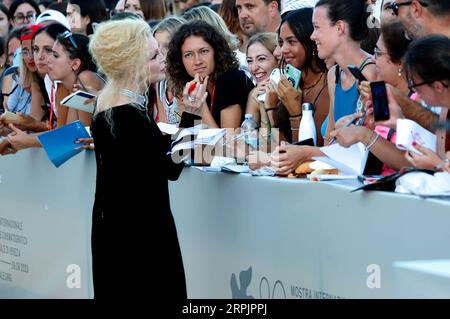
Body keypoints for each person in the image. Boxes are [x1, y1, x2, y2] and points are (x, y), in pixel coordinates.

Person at [88, 17, 205, 300]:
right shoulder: (126, 113)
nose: (164, 59)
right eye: (154, 55)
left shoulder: (109, 104)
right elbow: (170, 167)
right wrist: (191, 113)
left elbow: (143, 155)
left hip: (118, 230)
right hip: (139, 238)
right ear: (132, 64)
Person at [166, 20, 254, 128]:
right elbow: (186, 139)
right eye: (189, 55)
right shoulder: (192, 85)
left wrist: (201, 108)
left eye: (204, 51)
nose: (197, 61)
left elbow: (227, 142)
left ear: (216, 52)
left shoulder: (232, 79)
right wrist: (188, 109)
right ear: (180, 60)